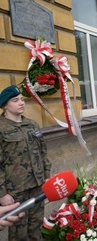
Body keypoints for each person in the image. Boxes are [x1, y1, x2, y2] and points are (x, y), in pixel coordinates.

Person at [0, 85, 52, 240]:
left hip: (37, 185)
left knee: (36, 228)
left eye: (22, 99)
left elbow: (43, 152)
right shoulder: (1, 128)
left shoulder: (32, 124)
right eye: (15, 100)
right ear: (4, 105)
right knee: (19, 234)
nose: (21, 103)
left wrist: (47, 176)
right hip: (16, 191)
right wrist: (2, 193)